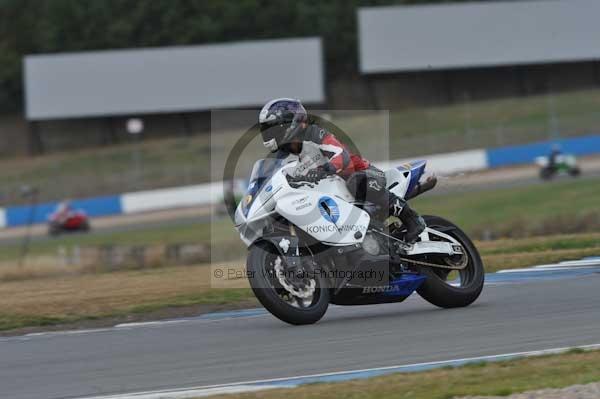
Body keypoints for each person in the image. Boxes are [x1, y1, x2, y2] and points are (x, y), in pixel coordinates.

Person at [258, 98, 425, 243]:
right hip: (328, 196)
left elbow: (342, 156)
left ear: (289, 123)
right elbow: (276, 177)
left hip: (364, 175)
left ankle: (411, 219)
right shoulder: (283, 157)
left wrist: (325, 169)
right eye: (266, 130)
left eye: (272, 128)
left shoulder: (316, 134)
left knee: (356, 182)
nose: (269, 134)